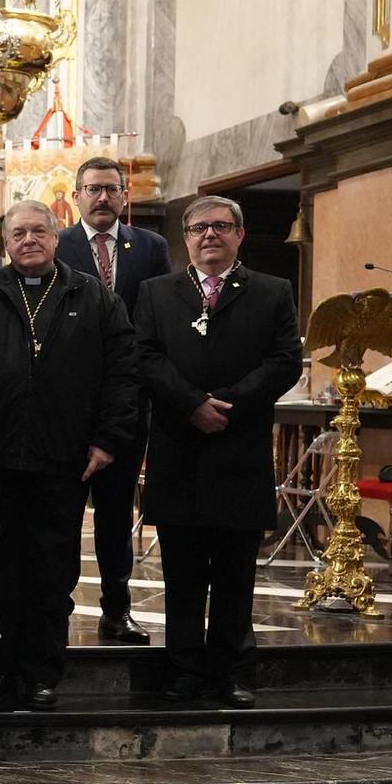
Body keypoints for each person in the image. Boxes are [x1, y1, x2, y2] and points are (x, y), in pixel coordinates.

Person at [0, 200, 138, 711]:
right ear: (4, 242)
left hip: (63, 458)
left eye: (38, 231)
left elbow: (122, 374)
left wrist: (107, 439)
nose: (28, 239)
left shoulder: (94, 296)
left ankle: (43, 670)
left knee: (53, 572)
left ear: (56, 237)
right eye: (18, 232)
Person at [135, 196, 301, 710]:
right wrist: (191, 405)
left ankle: (233, 670)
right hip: (179, 449)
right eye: (199, 227)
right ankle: (184, 669)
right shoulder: (156, 292)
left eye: (221, 226)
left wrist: (227, 405)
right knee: (182, 573)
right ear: (185, 237)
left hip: (239, 447)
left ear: (239, 235)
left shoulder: (272, 291)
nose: (210, 234)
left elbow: (285, 362)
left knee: (235, 573)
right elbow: (143, 355)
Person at [59, 156, 171, 644]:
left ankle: (117, 608)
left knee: (114, 513)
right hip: (67, 404)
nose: (101, 197)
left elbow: (160, 316)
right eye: (92, 189)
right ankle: (54, 607)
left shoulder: (150, 246)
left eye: (110, 189)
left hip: (127, 400)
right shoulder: (54, 244)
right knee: (61, 515)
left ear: (125, 196)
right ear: (75, 196)